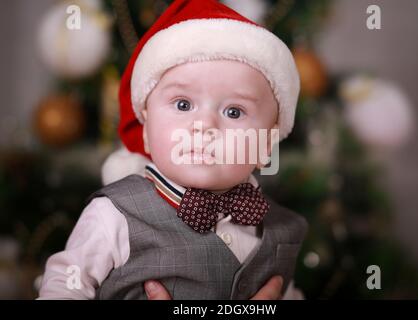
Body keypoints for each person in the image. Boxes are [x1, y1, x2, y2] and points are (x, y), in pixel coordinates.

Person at [38, 0, 307, 300]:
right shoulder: (114, 215)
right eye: (183, 104)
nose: (204, 125)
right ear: (147, 132)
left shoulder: (282, 228)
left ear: (266, 145)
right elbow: (64, 287)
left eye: (234, 112)